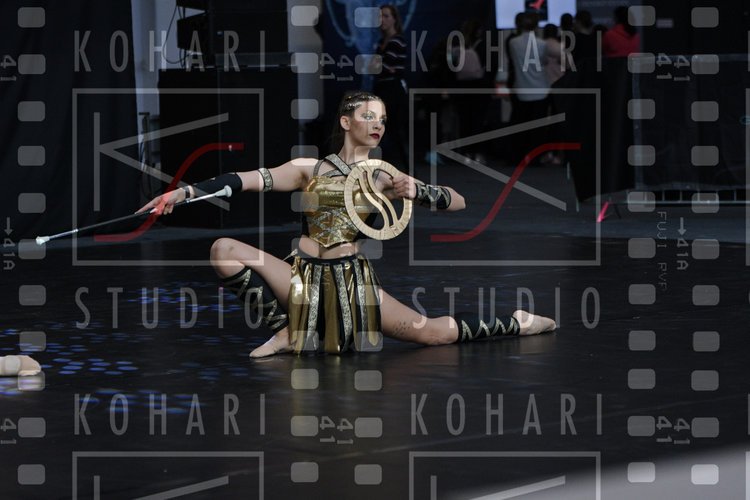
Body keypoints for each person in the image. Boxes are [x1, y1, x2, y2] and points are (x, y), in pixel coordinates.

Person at [138, 91, 556, 358]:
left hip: (353, 284)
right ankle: (287, 331)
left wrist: (419, 191)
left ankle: (517, 322)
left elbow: (459, 201)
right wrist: (181, 194)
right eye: (368, 116)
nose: (377, 125)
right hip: (302, 279)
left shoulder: (382, 177)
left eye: (383, 119)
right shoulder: (308, 169)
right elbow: (241, 180)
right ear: (345, 122)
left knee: (432, 335)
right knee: (224, 249)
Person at [373, 4, 409, 167]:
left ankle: (407, 168)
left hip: (393, 91)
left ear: (394, 19)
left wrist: (382, 66)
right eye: (380, 16)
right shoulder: (381, 42)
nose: (382, 20)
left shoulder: (397, 40)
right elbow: (376, 68)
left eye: (386, 16)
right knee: (381, 130)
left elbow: (385, 67)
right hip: (381, 89)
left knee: (395, 131)